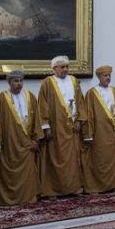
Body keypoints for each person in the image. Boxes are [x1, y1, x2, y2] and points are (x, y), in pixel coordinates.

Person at [0, 69, 41, 205]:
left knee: (28, 173)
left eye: (21, 81)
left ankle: (28, 197)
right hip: (10, 144)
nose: (19, 84)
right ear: (9, 82)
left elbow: (37, 119)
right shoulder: (1, 99)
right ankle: (10, 199)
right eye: (15, 81)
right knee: (9, 174)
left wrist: (36, 139)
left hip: (27, 143)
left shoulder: (30, 96)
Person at [38, 55, 85, 197]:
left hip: (72, 128)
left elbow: (80, 102)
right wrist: (46, 127)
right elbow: (43, 106)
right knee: (56, 158)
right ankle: (53, 191)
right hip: (56, 128)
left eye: (67, 67)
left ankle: (74, 188)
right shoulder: (47, 83)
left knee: (73, 159)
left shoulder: (74, 81)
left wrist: (80, 120)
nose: (65, 70)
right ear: (54, 69)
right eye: (62, 67)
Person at [82, 65, 115, 194]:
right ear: (99, 77)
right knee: (99, 160)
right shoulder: (92, 93)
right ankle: (97, 186)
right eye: (105, 76)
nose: (107, 78)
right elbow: (88, 114)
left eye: (109, 75)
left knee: (112, 160)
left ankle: (112, 185)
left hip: (113, 133)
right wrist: (88, 134)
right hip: (99, 134)